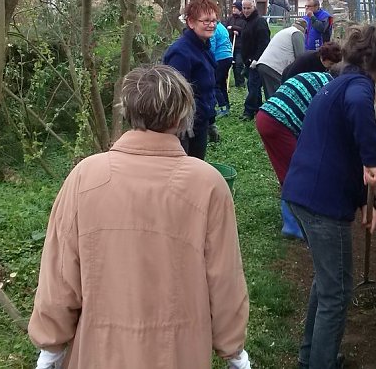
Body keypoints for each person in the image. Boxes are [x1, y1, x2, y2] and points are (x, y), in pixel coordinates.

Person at [29, 65, 251, 369]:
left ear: (129, 110)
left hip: (100, 353)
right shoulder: (208, 184)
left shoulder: (85, 176)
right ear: (181, 115)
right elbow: (225, 279)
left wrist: (50, 346)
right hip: (178, 354)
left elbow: (60, 274)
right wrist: (233, 349)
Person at [282, 24, 376, 369]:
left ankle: (312, 357)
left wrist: (365, 202)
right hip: (321, 204)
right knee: (337, 292)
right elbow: (360, 119)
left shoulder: (337, 83)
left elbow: (345, 151)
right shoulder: (359, 87)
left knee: (326, 282)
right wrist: (373, 160)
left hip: (304, 194)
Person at [255, 71, 333, 239]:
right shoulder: (331, 89)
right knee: (298, 171)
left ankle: (293, 220)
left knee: (288, 170)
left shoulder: (320, 78)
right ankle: (292, 225)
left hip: (265, 116)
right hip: (279, 122)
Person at [163, 0, 218, 159]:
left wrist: (210, 119)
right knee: (184, 167)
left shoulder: (204, 48)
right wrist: (186, 123)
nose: (211, 25)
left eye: (214, 20)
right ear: (191, 22)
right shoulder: (180, 53)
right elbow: (176, 94)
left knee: (197, 165)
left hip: (201, 121)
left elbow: (208, 88)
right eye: (206, 21)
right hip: (184, 126)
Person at [256, 18, 307, 98]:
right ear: (304, 29)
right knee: (280, 97)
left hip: (263, 64)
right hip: (275, 68)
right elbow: (300, 58)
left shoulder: (285, 31)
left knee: (271, 96)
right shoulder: (297, 33)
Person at [239, 0, 270, 121]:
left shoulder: (259, 22)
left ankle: (249, 111)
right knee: (252, 86)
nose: (246, 11)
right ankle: (258, 108)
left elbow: (264, 42)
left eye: (249, 8)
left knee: (253, 86)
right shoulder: (246, 21)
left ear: (254, 7)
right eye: (244, 8)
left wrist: (256, 59)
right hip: (248, 60)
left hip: (256, 61)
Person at [211, 20, 233, 117]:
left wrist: (208, 58)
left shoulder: (214, 28)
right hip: (228, 56)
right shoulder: (222, 27)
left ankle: (223, 107)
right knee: (222, 83)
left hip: (220, 57)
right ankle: (226, 105)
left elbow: (211, 45)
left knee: (215, 84)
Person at [226, 0, 247, 88]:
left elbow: (245, 30)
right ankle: (227, 81)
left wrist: (235, 28)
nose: (234, 10)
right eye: (233, 8)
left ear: (240, 9)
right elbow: (226, 28)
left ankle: (240, 83)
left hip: (240, 46)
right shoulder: (230, 19)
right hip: (230, 45)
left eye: (236, 8)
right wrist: (232, 30)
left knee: (238, 64)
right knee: (231, 64)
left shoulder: (244, 19)